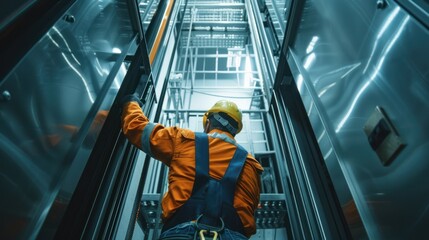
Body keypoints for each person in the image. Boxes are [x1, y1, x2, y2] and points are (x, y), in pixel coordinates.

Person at [121, 94, 263, 239]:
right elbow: (252, 207)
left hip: (182, 233)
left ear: (208, 124)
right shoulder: (252, 166)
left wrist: (131, 102)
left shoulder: (184, 140)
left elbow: (137, 128)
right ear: (234, 132)